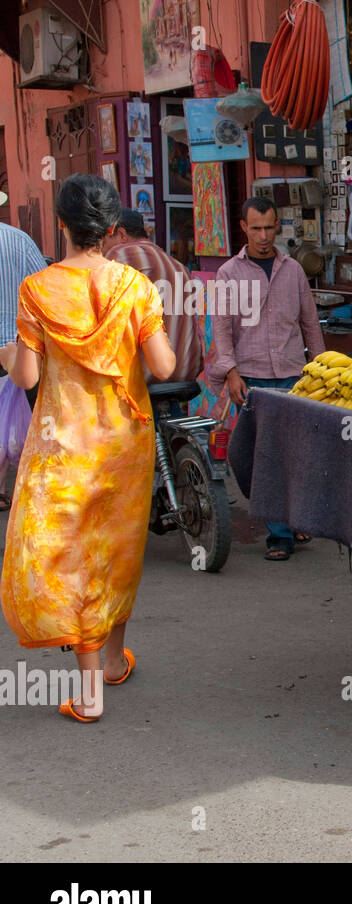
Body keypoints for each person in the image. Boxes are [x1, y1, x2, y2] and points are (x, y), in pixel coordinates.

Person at [0, 174, 177, 722]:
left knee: (72, 555)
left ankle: (91, 691)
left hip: (63, 445)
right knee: (116, 547)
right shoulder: (135, 287)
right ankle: (111, 663)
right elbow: (165, 367)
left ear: (61, 224)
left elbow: (27, 378)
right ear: (111, 227)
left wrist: (9, 353)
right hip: (124, 441)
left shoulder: (37, 290)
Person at [210, 196, 324, 561]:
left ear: (278, 226)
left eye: (268, 227)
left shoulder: (293, 271)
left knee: (296, 454)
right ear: (243, 227)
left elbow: (309, 323)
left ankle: (295, 520)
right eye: (255, 228)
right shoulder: (229, 273)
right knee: (264, 458)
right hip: (253, 378)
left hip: (294, 375)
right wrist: (230, 372)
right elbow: (222, 330)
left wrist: (323, 369)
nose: (262, 235)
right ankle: (279, 534)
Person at [103, 209, 203, 383]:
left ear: (121, 234)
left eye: (104, 239)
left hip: (144, 378)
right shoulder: (178, 266)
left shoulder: (119, 256)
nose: (102, 247)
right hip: (185, 374)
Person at [0, 192, 48, 418]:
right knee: (20, 441)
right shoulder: (20, 241)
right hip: (19, 359)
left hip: (19, 362)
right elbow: (46, 300)